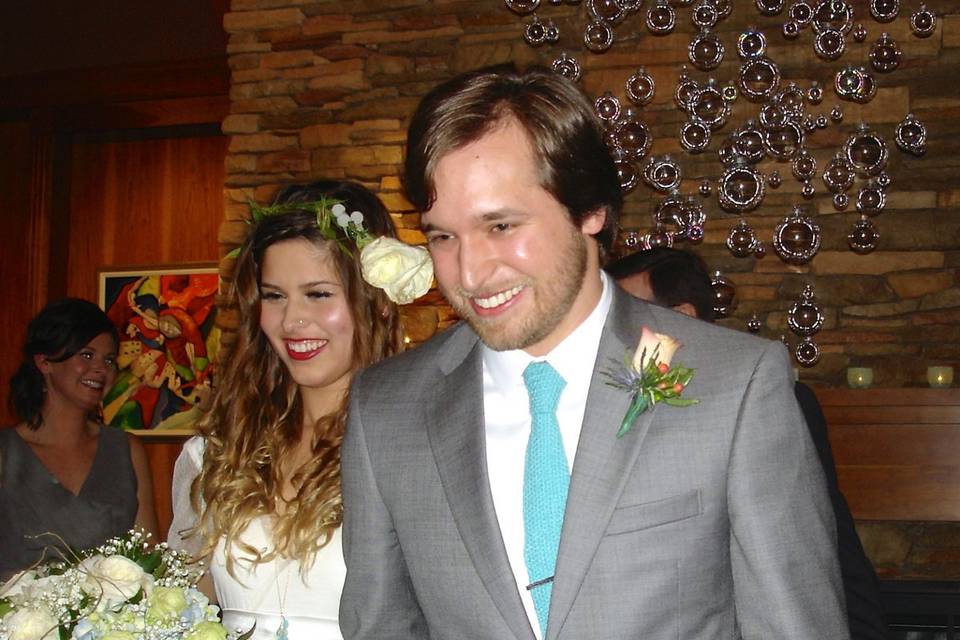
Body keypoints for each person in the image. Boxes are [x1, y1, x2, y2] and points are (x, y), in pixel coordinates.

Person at [339, 63, 849, 640]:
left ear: (590, 211)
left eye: (501, 225)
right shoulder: (385, 411)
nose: (470, 273)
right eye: (442, 236)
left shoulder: (736, 386)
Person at [168, 180, 431, 640]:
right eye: (274, 296)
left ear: (378, 305)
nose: (292, 321)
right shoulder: (213, 458)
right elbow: (184, 610)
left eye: (318, 294)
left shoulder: (416, 457)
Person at [605, 246, 889, 640]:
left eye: (633, 314)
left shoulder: (769, 399)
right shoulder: (607, 411)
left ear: (681, 319)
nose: (616, 332)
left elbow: (817, 554)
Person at [0, 298, 157, 580]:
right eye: (87, 355)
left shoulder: (126, 450)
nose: (101, 369)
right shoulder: (6, 454)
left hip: (113, 622)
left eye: (109, 360)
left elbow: (148, 561)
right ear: (45, 361)